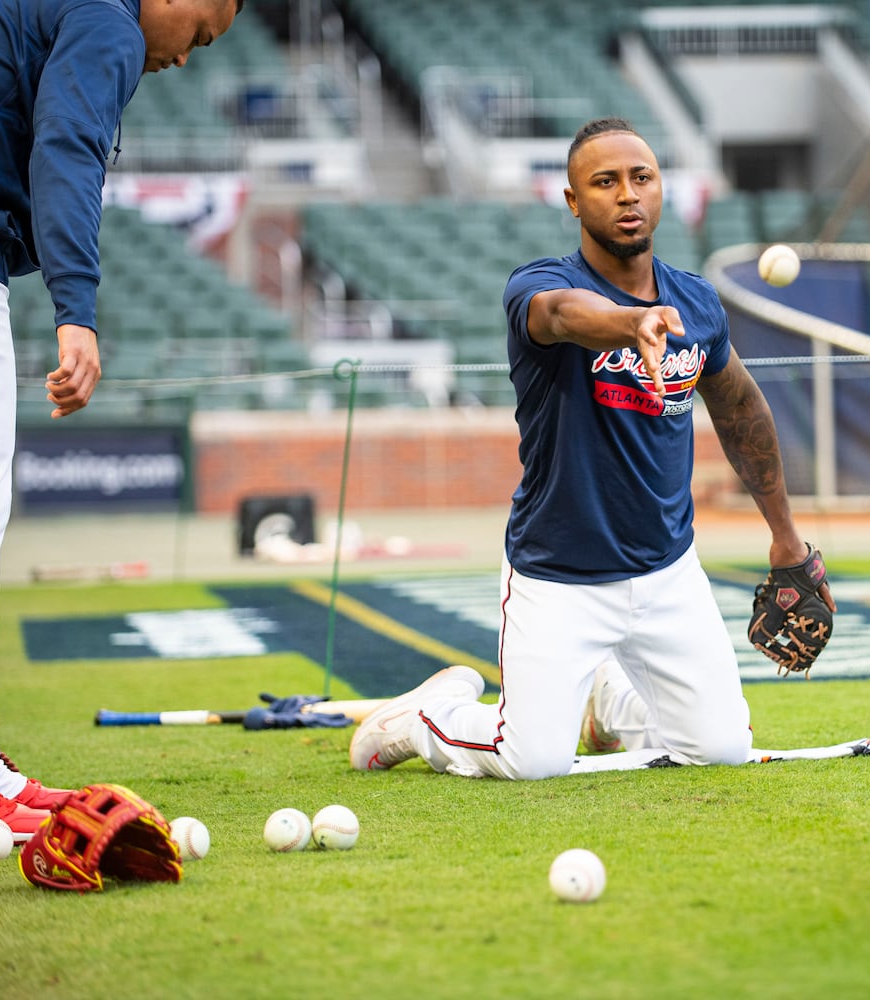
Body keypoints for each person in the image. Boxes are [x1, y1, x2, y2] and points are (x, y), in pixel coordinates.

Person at [349, 117, 833, 780]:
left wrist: (785, 536)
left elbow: (741, 409)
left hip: (667, 572)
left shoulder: (696, 304)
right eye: (604, 182)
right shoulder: (538, 284)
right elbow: (560, 315)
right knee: (532, 761)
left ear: (661, 188)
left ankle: (607, 708)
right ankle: (421, 720)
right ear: (574, 201)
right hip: (560, 576)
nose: (627, 194)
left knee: (720, 750)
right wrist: (630, 324)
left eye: (642, 178)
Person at [0, 0, 240, 849]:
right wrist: (76, 309)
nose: (187, 58)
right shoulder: (111, 18)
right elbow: (69, 147)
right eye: (200, 34)